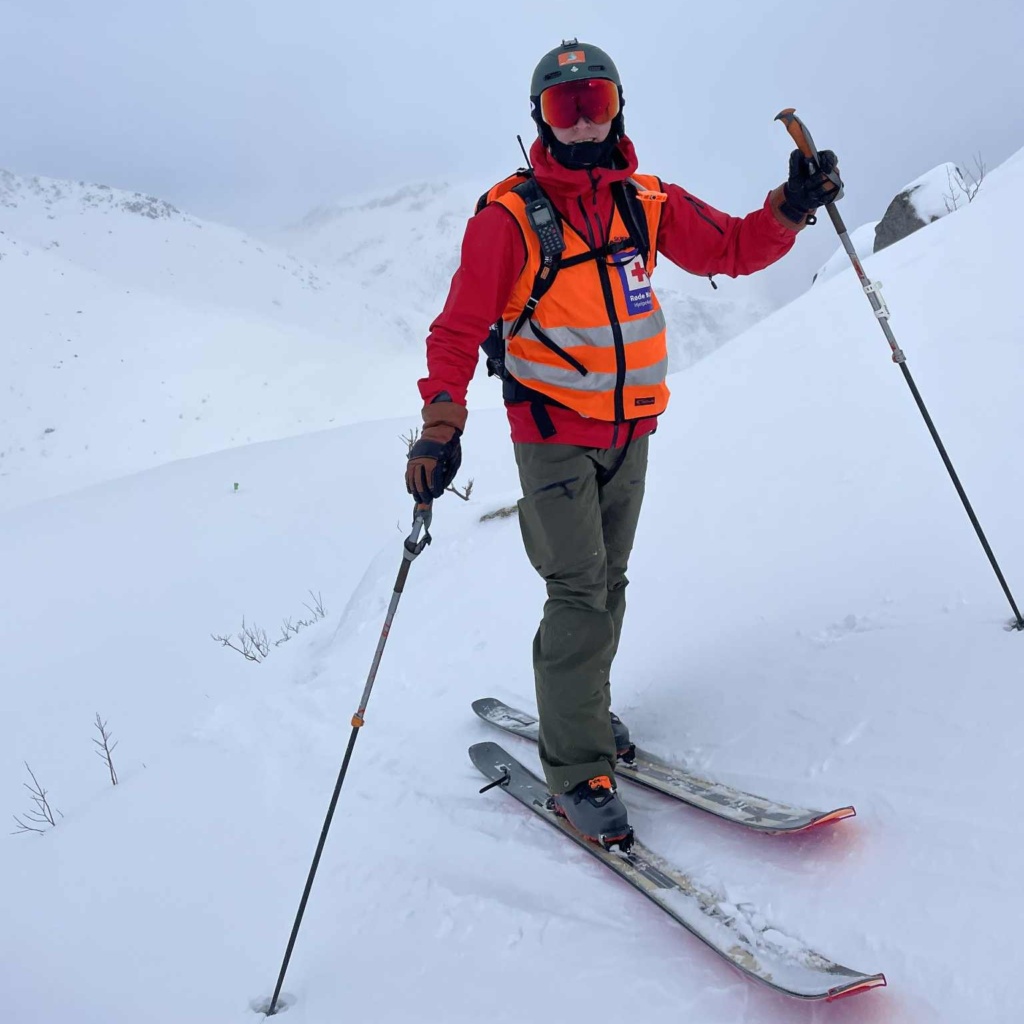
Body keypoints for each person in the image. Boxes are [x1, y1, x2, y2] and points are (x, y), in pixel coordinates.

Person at [405, 39, 841, 849]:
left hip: (631, 430)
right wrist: (440, 426)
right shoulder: (510, 216)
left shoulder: (647, 199)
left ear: (618, 107)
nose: (580, 122)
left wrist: (791, 206)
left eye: (594, 102)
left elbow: (732, 249)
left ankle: (582, 706)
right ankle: (577, 767)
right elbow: (458, 328)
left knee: (611, 582)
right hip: (551, 433)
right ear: (540, 118)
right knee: (578, 589)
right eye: (563, 108)